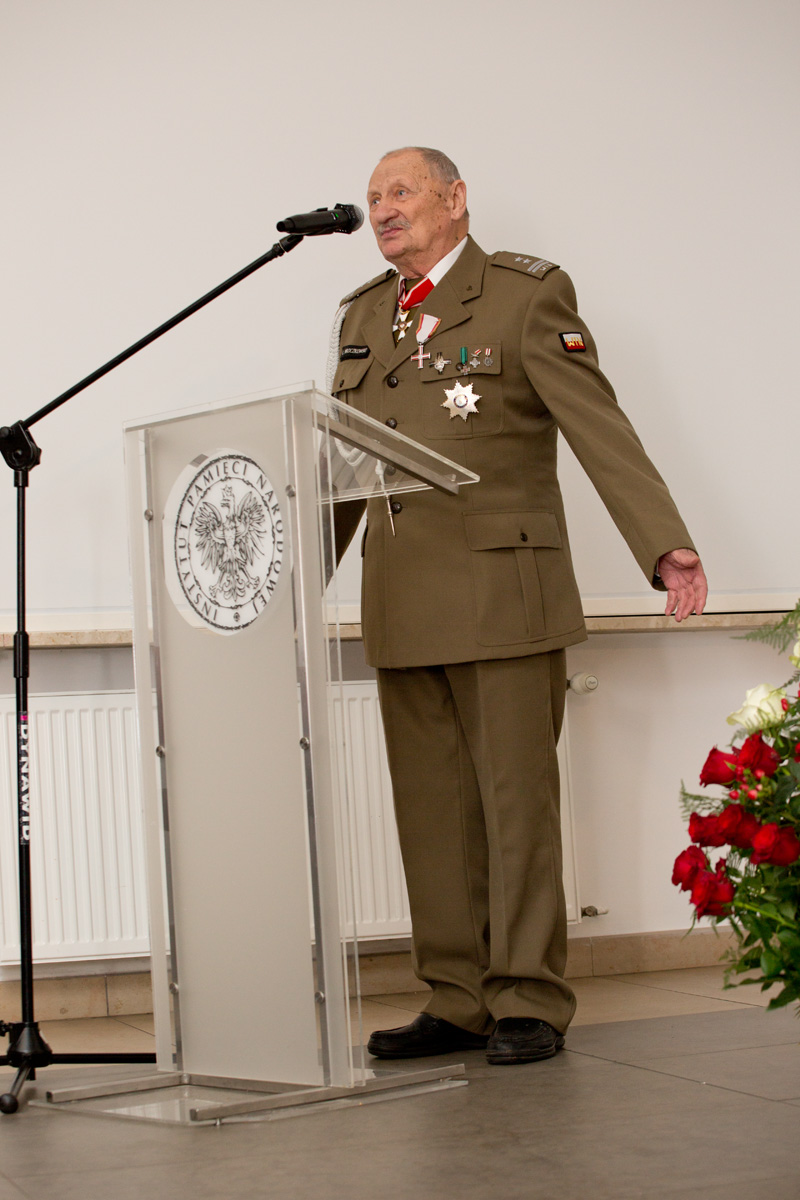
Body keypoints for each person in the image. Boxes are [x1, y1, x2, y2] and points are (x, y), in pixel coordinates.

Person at [328, 146, 707, 1065]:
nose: (383, 209)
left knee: (516, 807)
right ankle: (457, 998)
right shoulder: (364, 314)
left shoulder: (524, 295)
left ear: (456, 199)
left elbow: (596, 424)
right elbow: (343, 462)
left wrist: (663, 542)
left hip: (503, 591)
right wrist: (284, 583)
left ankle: (529, 997)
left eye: (402, 191)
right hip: (402, 595)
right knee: (432, 815)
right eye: (374, 197)